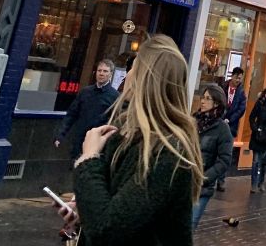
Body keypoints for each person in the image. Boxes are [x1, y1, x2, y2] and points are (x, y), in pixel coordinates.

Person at [63, 34, 201, 246]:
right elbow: (115, 208)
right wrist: (85, 207)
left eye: (133, 68)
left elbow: (107, 229)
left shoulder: (167, 154)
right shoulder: (123, 133)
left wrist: (89, 159)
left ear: (144, 79)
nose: (127, 75)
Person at [54, 60, 119, 161]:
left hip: (97, 143)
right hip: (79, 139)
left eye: (105, 71)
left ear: (111, 74)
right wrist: (60, 135)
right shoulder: (85, 92)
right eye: (99, 70)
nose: (101, 73)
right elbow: (71, 114)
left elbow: (115, 122)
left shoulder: (115, 96)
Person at [194, 83, 233, 226]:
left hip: (202, 188)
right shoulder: (193, 121)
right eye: (202, 97)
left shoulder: (222, 129)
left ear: (216, 103)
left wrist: (203, 177)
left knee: (190, 224)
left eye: (207, 98)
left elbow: (224, 160)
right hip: (183, 183)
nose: (203, 101)